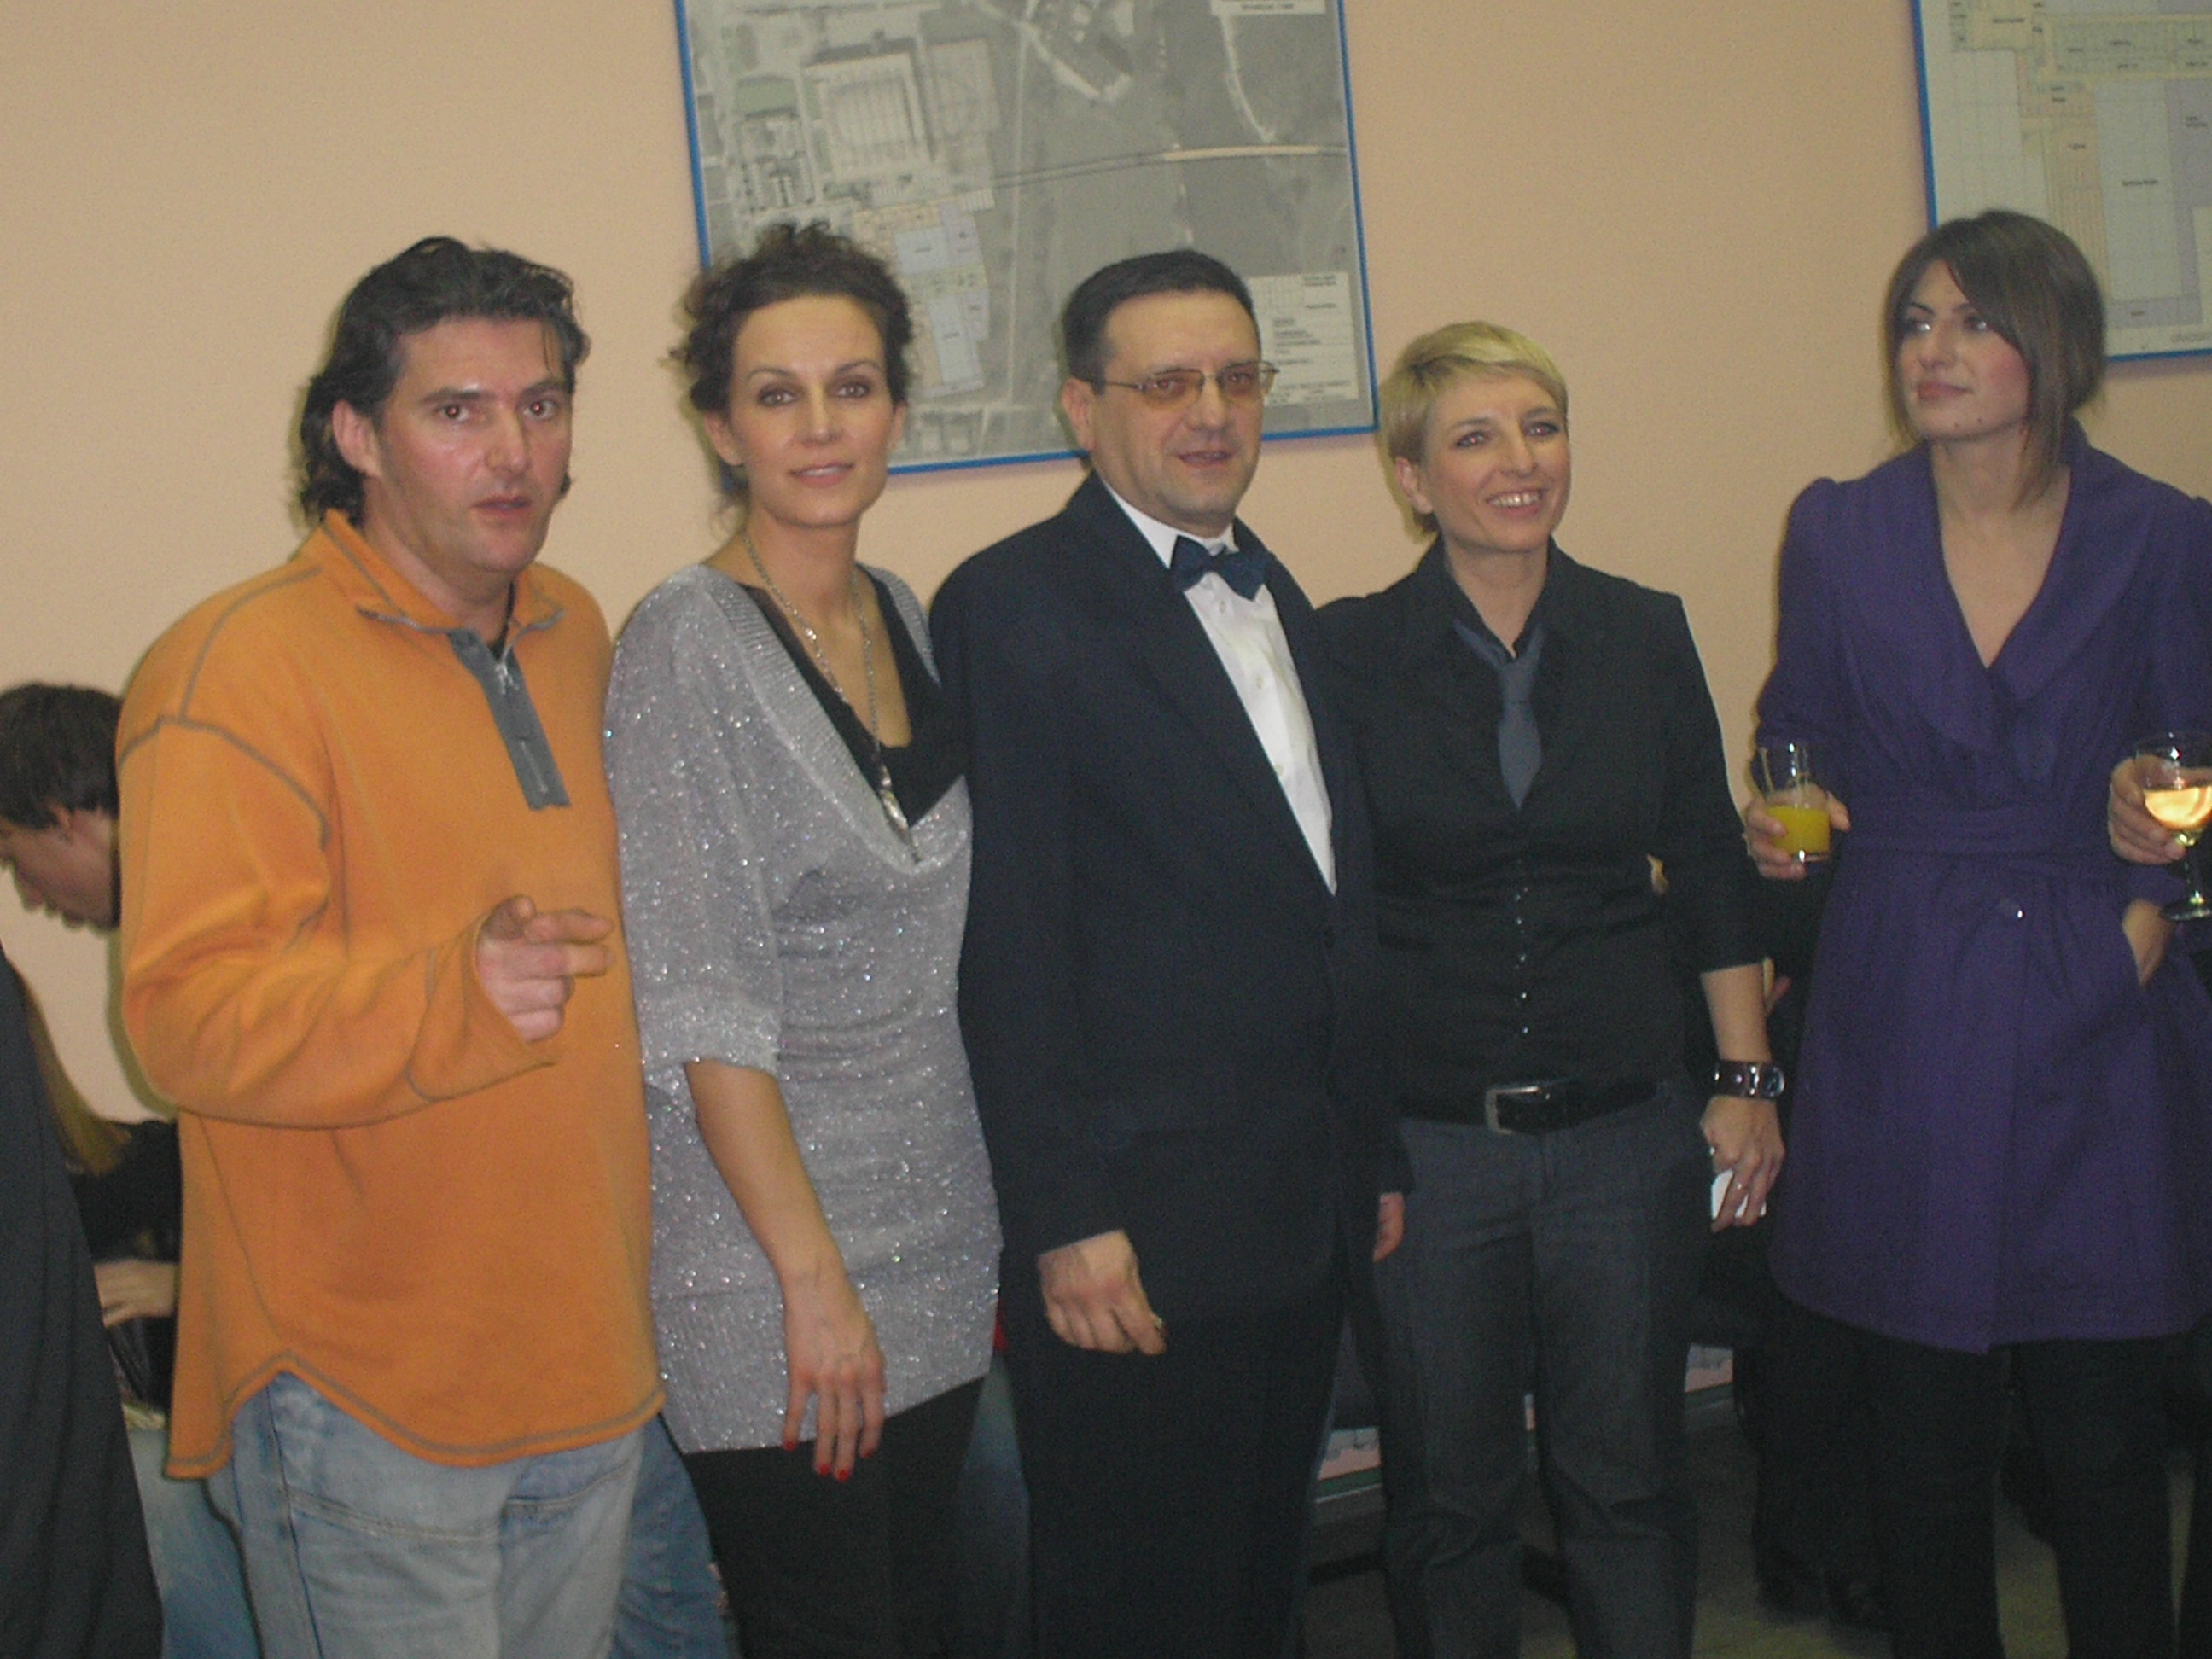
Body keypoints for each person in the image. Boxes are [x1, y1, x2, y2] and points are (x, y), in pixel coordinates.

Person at [115, 236, 663, 1658]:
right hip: (363, 1396)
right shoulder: (235, 664)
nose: (512, 452)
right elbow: (180, 1018)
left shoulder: (577, 629)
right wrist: (446, 994)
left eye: (539, 406)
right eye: (456, 411)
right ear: (355, 434)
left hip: (588, 1359)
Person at [1749, 209, 2212, 1659]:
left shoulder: (2161, 532)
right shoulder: (1839, 526)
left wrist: (2147, 901)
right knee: (1922, 1439)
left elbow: (2192, 761)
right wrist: (1785, 815)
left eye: (1972, 321)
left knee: (2102, 1436)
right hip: (1907, 992)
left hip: (2094, 987)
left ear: (2054, 344)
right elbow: (1797, 733)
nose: (1931, 351)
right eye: (1913, 321)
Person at [931, 248, 1404, 1659]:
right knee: (1134, 1604)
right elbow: (1009, 943)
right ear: (1083, 409)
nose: (1212, 411)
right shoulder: (1011, 603)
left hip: (1295, 1206)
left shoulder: (1279, 591)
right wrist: (1065, 1216)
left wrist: (1369, 1149)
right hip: (1132, 1232)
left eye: (1238, 378)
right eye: (1169, 383)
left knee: (1259, 1586)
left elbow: (1329, 904)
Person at [1318, 322, 1780, 1659]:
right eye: (1474, 437)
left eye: (1541, 426)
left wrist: (1747, 1080)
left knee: (1628, 1485)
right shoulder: (1347, 652)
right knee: (1449, 1501)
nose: (1519, 461)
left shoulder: (1642, 630)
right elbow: (1326, 902)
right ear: (1413, 477)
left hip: (1625, 1135)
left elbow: (1706, 859)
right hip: (1433, 1150)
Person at [605, 221, 998, 1658]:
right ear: (723, 428)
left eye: (853, 386)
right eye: (778, 395)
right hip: (769, 1266)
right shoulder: (683, 644)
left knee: (925, 1619)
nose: (821, 426)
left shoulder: (903, 614)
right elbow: (701, 1005)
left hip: (939, 1235)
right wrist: (811, 1280)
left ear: (896, 409)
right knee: (828, 1632)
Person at [0, 682, 261, 1659]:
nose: (29, 897)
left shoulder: (229, 938)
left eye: (15, 859)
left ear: (64, 820)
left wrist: (187, 1288)